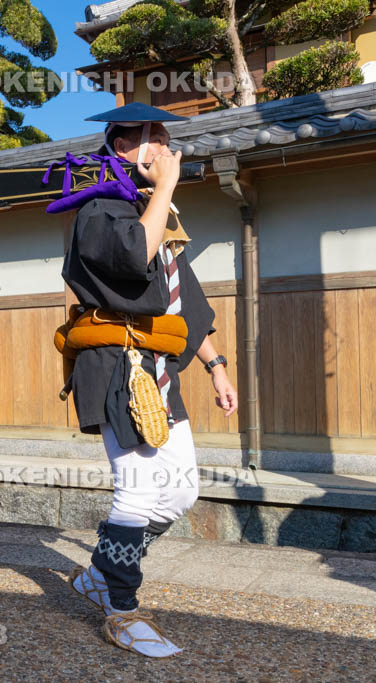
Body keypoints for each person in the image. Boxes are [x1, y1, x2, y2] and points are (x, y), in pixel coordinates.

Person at [58, 103, 238, 657]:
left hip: (159, 365)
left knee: (180, 491)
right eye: (153, 138)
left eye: (165, 138)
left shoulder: (151, 210)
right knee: (137, 491)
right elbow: (135, 255)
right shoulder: (99, 209)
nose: (165, 148)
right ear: (122, 147)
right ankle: (122, 610)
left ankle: (100, 575)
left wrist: (215, 365)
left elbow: (185, 302)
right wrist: (165, 189)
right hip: (116, 363)